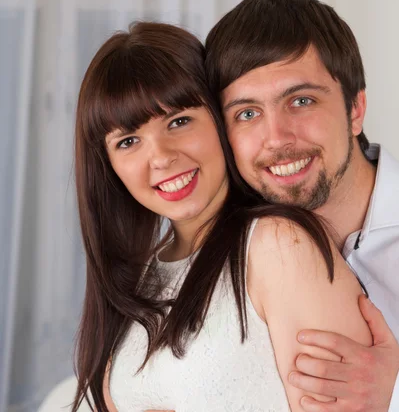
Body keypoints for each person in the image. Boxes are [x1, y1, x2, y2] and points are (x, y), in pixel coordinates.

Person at [72, 21, 371, 412]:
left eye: (179, 122)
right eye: (128, 141)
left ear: (219, 120)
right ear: (108, 165)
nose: (161, 156)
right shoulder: (146, 271)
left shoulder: (277, 246)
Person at [204, 0, 399, 412]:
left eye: (302, 100)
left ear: (355, 110)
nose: (277, 138)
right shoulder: (221, 245)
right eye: (247, 113)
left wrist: (393, 390)